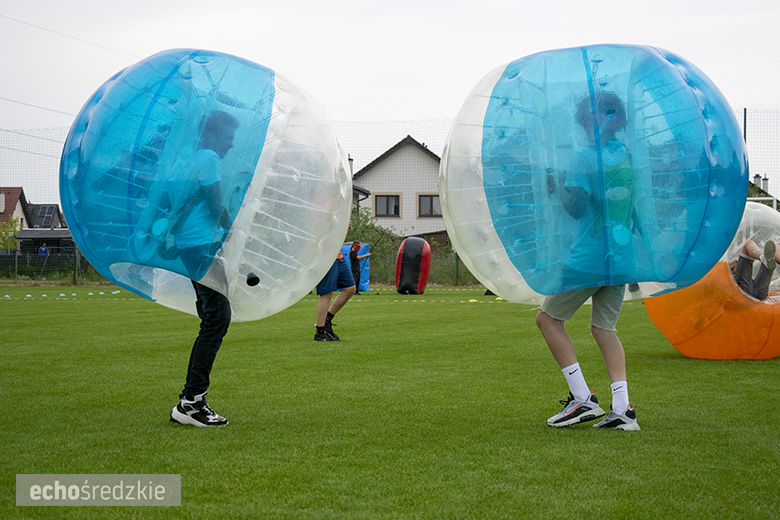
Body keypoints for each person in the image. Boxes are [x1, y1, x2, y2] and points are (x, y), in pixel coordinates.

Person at [536, 91, 640, 431]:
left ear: (589, 120)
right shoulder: (627, 156)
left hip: (589, 256)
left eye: (584, 117)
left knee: (548, 319)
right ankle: (623, 410)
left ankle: (582, 398)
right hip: (621, 257)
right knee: (603, 329)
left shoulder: (583, 156)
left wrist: (557, 186)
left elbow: (578, 209)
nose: (582, 123)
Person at [170, 109, 239, 427]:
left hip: (189, 245)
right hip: (202, 245)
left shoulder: (185, 159)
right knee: (217, 319)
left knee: (213, 317)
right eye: (228, 137)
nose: (231, 144)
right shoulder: (209, 158)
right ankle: (191, 403)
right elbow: (214, 203)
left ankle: (192, 399)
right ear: (212, 133)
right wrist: (231, 226)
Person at [314, 249, 356, 342]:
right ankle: (320, 333)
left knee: (350, 289)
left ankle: (327, 320)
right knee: (326, 293)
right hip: (325, 259)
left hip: (338, 257)